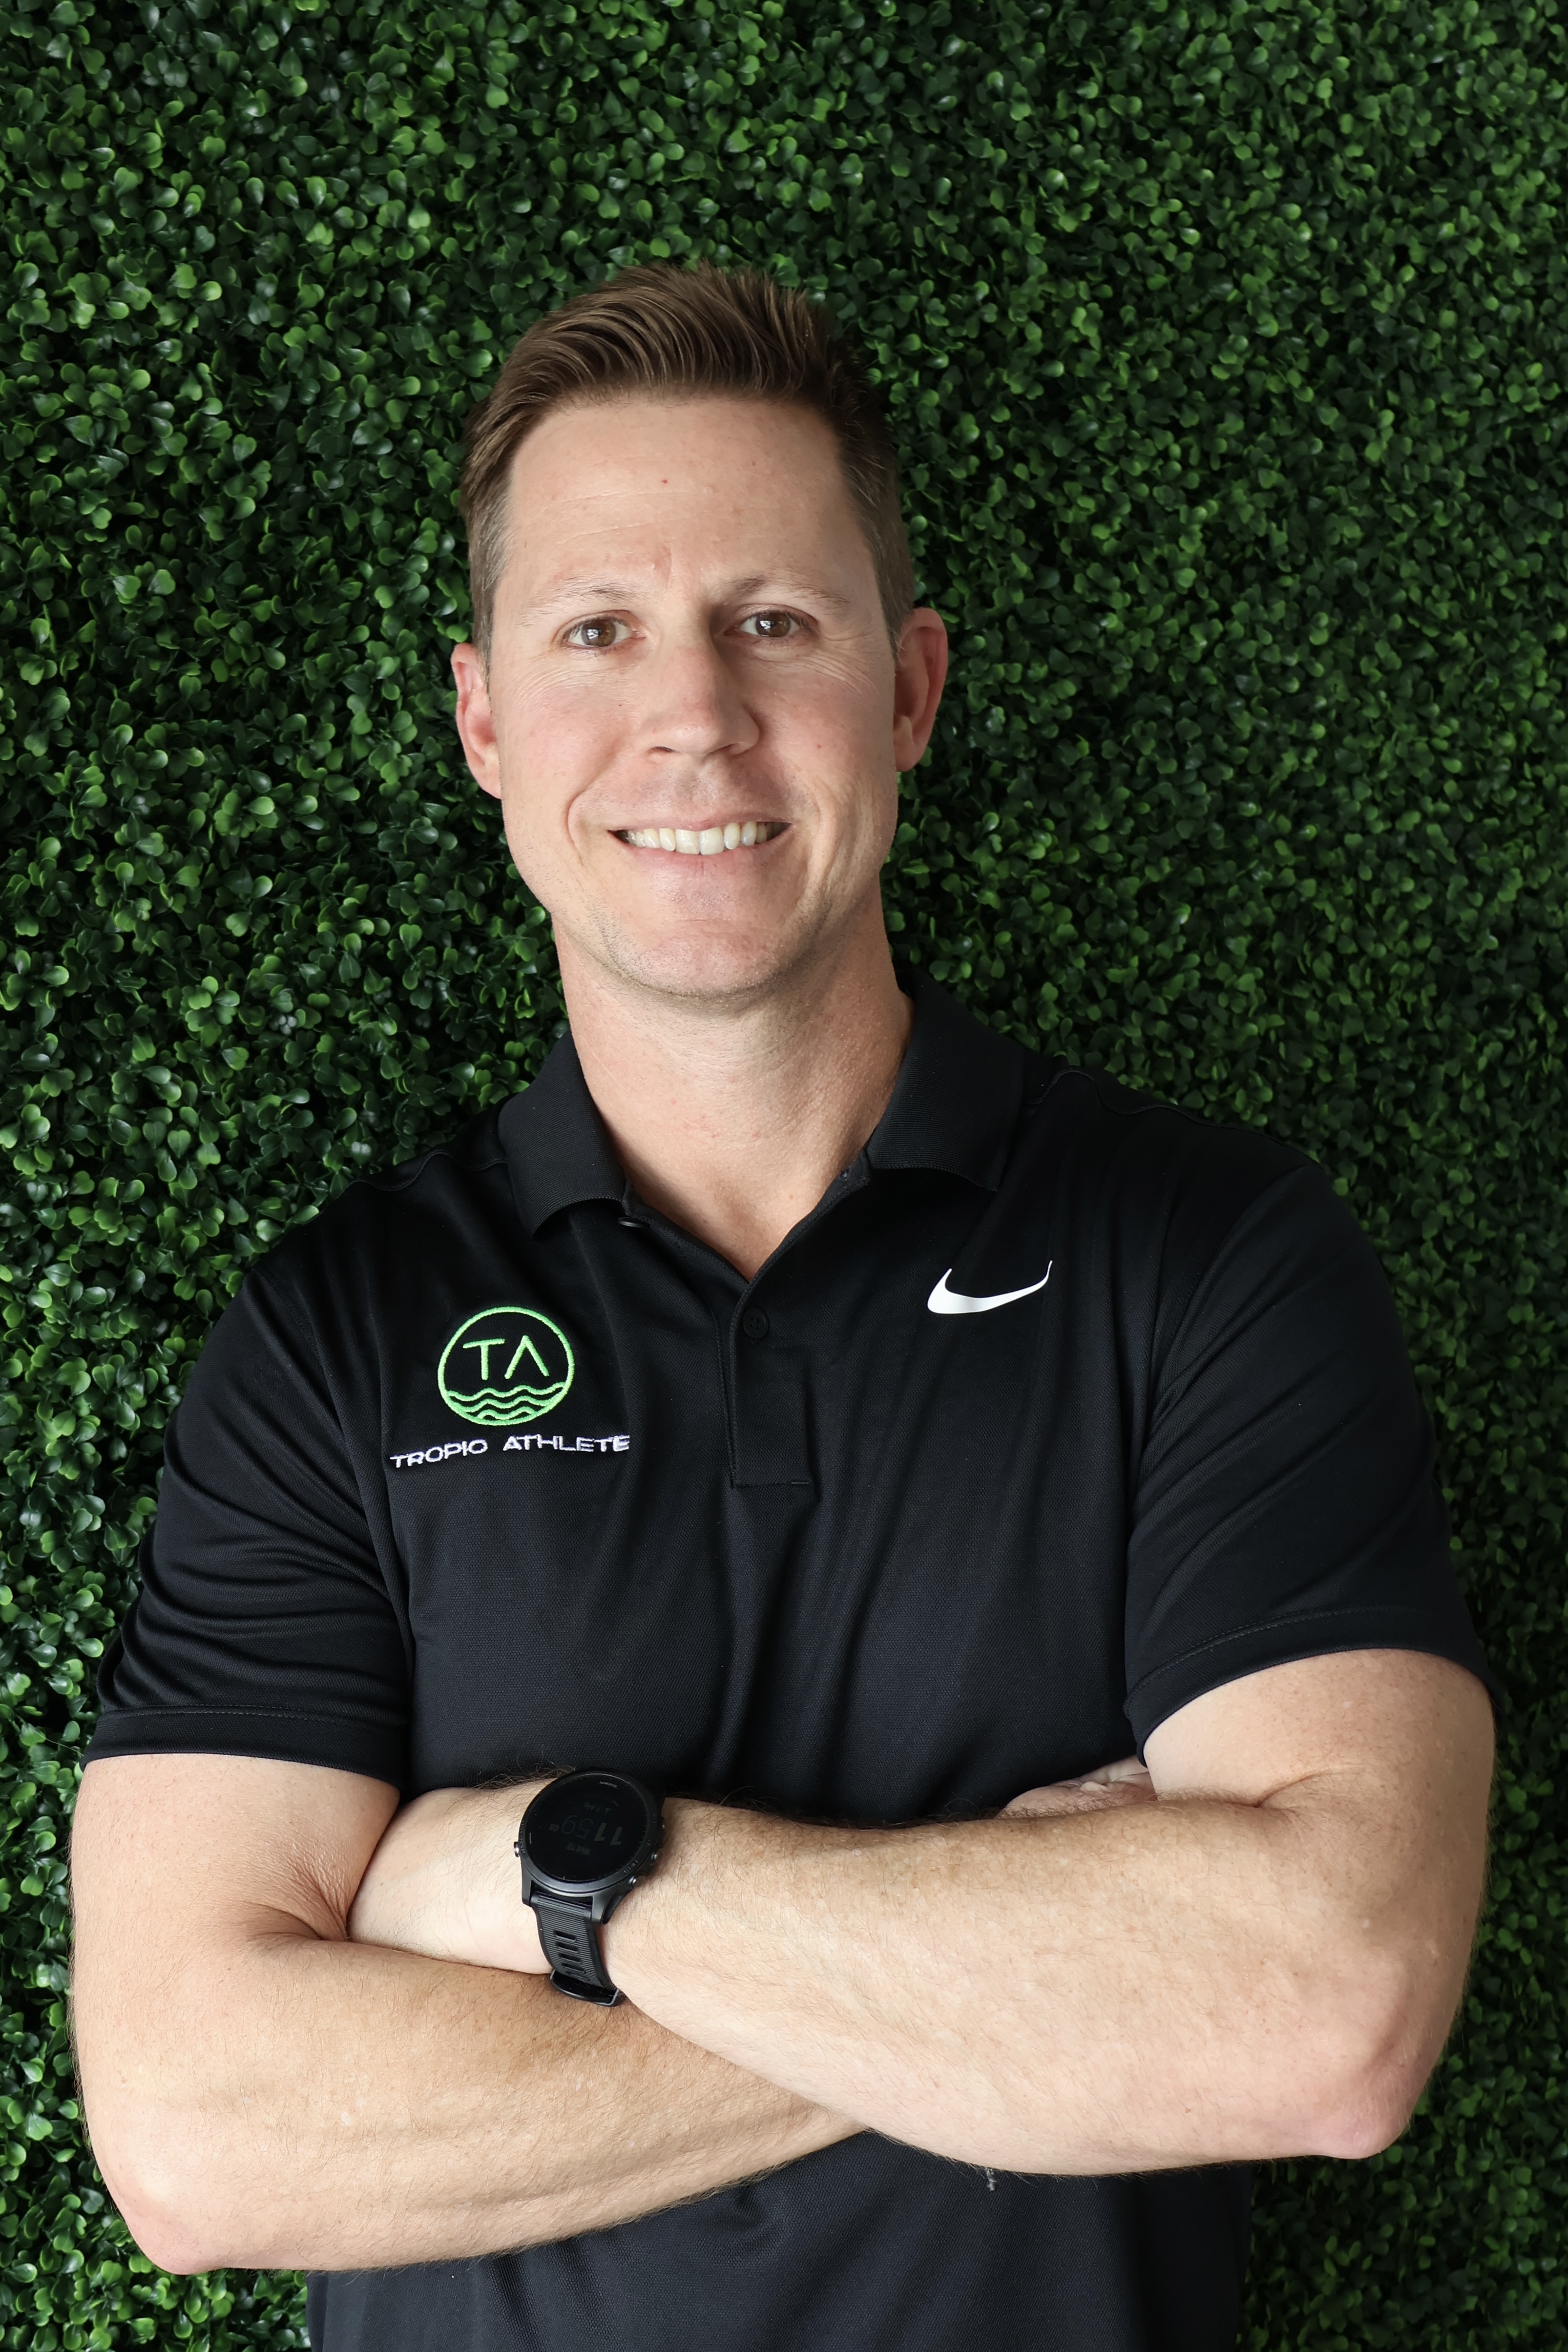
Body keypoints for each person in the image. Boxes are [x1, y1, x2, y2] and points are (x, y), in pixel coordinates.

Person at [71, 263, 1496, 2352]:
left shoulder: (1208, 1257)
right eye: (596, 630)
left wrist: (562, 1874)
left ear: (907, 689)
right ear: (484, 720)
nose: (694, 716)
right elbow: (199, 2132)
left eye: (771, 623)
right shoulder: (331, 1339)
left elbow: (1327, 2009)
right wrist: (1008, 1964)